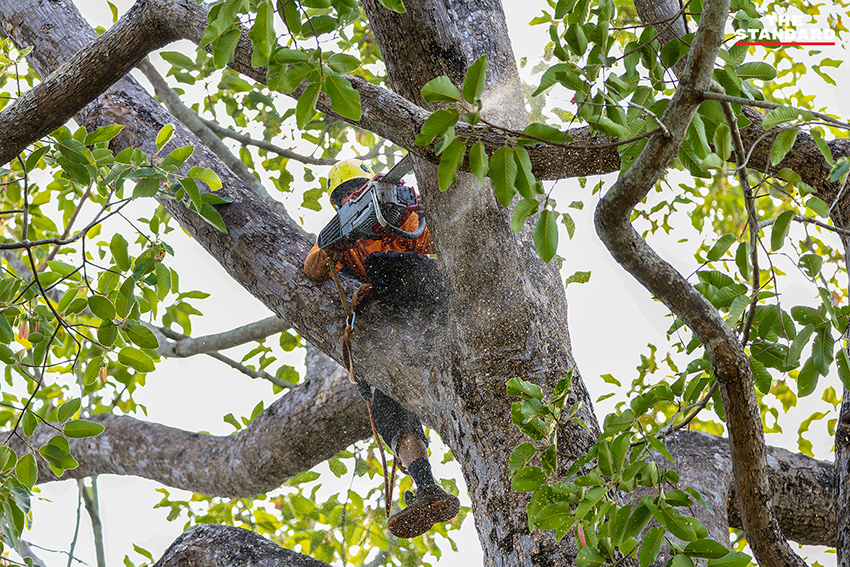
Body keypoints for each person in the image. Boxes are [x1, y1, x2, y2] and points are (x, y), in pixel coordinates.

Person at [303, 158, 460, 539]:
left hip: (430, 296)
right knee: (384, 402)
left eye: (355, 190)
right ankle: (426, 487)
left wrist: (423, 208)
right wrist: (335, 239)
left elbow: (441, 240)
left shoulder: (403, 216)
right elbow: (312, 268)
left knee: (384, 261)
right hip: (396, 328)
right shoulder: (347, 242)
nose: (350, 199)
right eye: (343, 197)